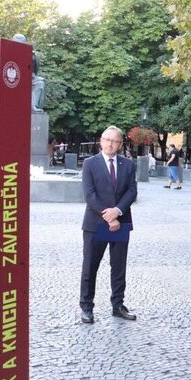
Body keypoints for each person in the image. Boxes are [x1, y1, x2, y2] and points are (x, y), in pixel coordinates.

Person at [79, 126, 138, 324]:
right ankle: (86, 307)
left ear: (120, 144)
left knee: (119, 266)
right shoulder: (89, 164)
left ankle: (118, 305)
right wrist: (108, 216)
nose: (110, 144)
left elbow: (132, 192)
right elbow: (90, 195)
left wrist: (117, 212)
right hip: (96, 223)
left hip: (121, 222)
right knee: (90, 266)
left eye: (114, 141)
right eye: (107, 139)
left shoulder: (128, 165)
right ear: (101, 141)